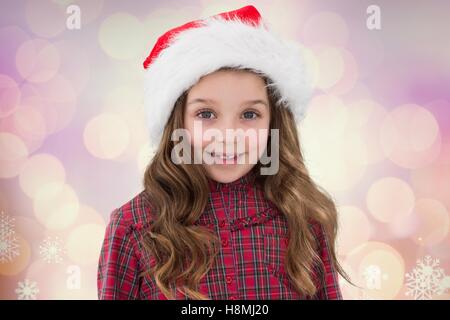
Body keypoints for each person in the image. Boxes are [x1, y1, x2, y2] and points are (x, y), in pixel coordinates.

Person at [97, 5, 349, 300]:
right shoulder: (134, 226)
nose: (228, 137)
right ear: (178, 120)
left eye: (250, 115)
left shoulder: (303, 216)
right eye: (206, 114)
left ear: (274, 123)